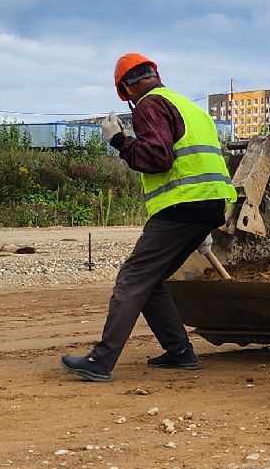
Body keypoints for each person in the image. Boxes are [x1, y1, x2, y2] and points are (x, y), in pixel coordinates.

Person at [60, 53, 237, 382]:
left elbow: (159, 157)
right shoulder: (188, 107)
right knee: (152, 281)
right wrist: (204, 222)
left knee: (132, 278)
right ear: (154, 74)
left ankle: (101, 360)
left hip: (181, 206)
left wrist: (120, 141)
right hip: (208, 206)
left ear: (125, 90)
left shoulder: (149, 105)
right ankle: (180, 352)